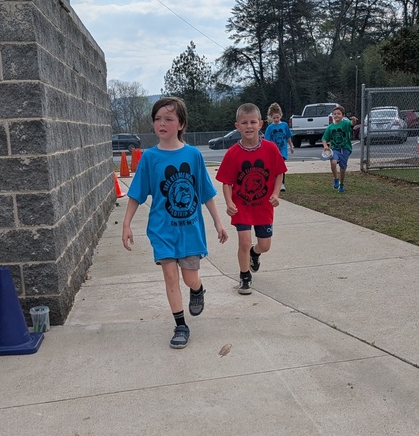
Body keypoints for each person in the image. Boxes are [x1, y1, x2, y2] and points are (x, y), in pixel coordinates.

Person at [122, 96, 228, 349]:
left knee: (190, 278)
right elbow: (136, 193)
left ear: (180, 124)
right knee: (170, 277)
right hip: (162, 230)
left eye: (168, 119)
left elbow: (205, 192)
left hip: (190, 231)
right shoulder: (149, 158)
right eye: (157, 119)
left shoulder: (192, 155)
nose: (162, 123)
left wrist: (218, 222)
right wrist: (126, 224)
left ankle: (198, 289)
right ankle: (181, 325)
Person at [216, 102, 287, 295]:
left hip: (263, 206)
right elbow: (226, 182)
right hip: (242, 206)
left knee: (264, 245)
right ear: (237, 126)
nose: (249, 126)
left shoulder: (271, 149)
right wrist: (229, 202)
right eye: (244, 123)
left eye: (253, 122)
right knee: (244, 242)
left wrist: (275, 194)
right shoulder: (232, 154)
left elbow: (279, 172)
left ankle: (255, 255)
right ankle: (245, 276)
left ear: (261, 124)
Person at [321, 105, 353, 192]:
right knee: (333, 163)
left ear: (343, 115)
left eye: (338, 114)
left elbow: (352, 124)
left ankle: (342, 184)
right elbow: (324, 139)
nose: (336, 115)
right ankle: (336, 179)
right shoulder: (330, 127)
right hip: (335, 148)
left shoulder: (345, 123)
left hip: (345, 148)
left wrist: (353, 120)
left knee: (343, 169)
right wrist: (325, 146)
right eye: (334, 114)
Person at [264, 103, 294, 191]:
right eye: (274, 118)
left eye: (277, 117)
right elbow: (267, 141)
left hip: (282, 149)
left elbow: (288, 136)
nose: (276, 119)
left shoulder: (284, 125)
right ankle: (274, 182)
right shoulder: (270, 128)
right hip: (273, 150)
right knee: (274, 167)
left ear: (280, 115)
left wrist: (291, 146)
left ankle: (282, 184)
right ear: (271, 117)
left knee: (281, 164)